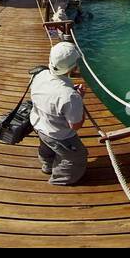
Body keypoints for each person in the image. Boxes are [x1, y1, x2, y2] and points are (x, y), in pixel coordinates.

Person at [30, 42, 89, 186]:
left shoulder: (40, 74)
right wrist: (78, 99)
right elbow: (75, 125)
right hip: (59, 134)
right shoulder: (69, 96)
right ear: (73, 67)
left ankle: (47, 165)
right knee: (77, 158)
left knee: (47, 146)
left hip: (39, 124)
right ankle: (60, 179)